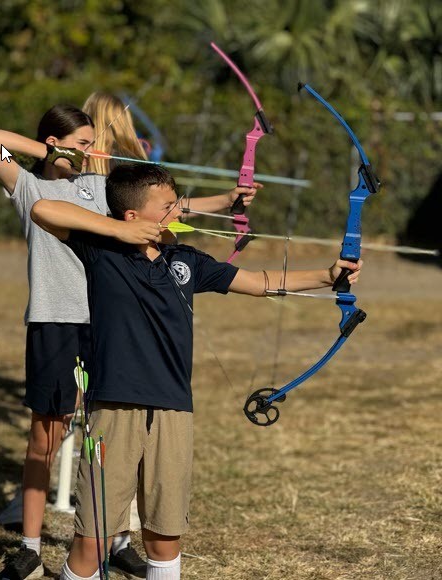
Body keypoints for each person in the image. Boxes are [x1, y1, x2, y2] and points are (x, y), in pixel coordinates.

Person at [30, 162, 362, 580]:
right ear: (132, 215)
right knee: (94, 539)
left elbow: (258, 281)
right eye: (169, 206)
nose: (180, 211)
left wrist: (327, 276)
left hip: (173, 408)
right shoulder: (102, 249)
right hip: (114, 409)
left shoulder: (183, 259)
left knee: (164, 535)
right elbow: (42, 209)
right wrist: (118, 231)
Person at [0, 105, 259, 580]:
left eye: (92, 143)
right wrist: (49, 152)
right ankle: (30, 547)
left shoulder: (96, 186)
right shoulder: (24, 181)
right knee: (47, 436)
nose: (90, 152)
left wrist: (228, 200)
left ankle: (117, 540)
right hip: (56, 319)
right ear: (53, 143)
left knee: (113, 434)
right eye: (81, 144)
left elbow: (164, 209)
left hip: (107, 323)